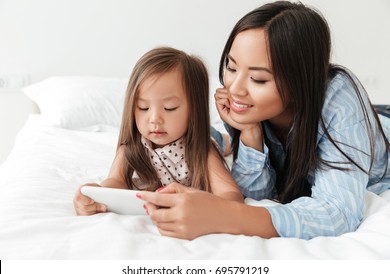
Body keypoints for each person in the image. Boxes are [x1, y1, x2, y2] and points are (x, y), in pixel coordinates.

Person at [138, 1, 390, 240]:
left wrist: (223, 215)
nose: (235, 89)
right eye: (232, 68)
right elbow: (258, 194)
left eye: (258, 79)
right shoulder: (249, 107)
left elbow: (338, 214)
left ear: (299, 81)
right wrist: (250, 135)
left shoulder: (339, 99)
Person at [73, 47, 243, 215]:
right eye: (143, 107)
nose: (154, 119)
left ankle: (226, 139)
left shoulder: (203, 151)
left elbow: (232, 195)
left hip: (201, 135)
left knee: (222, 141)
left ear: (194, 110)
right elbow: (116, 181)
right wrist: (96, 194)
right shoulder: (130, 148)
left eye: (169, 108)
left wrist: (198, 200)